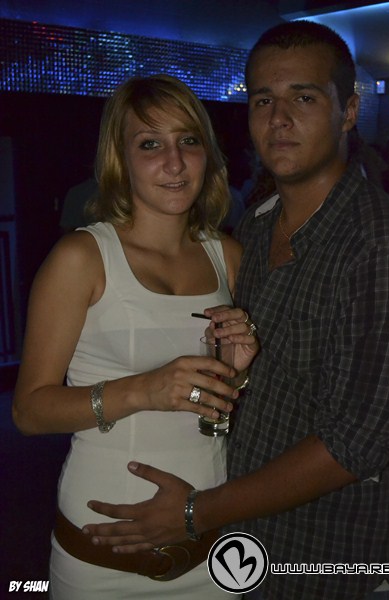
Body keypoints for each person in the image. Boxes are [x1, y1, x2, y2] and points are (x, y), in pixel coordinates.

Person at [79, 22, 389, 600]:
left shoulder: (380, 242)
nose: (279, 119)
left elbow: (355, 444)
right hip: (240, 548)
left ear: (349, 112)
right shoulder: (252, 228)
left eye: (304, 98)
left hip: (328, 554)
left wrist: (195, 512)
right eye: (262, 100)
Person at [12, 74, 258, 599]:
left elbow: (232, 408)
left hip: (212, 540)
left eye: (188, 140)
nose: (175, 162)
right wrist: (143, 389)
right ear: (119, 159)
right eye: (150, 144)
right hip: (106, 553)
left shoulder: (229, 256)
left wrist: (239, 374)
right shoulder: (82, 257)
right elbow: (29, 412)